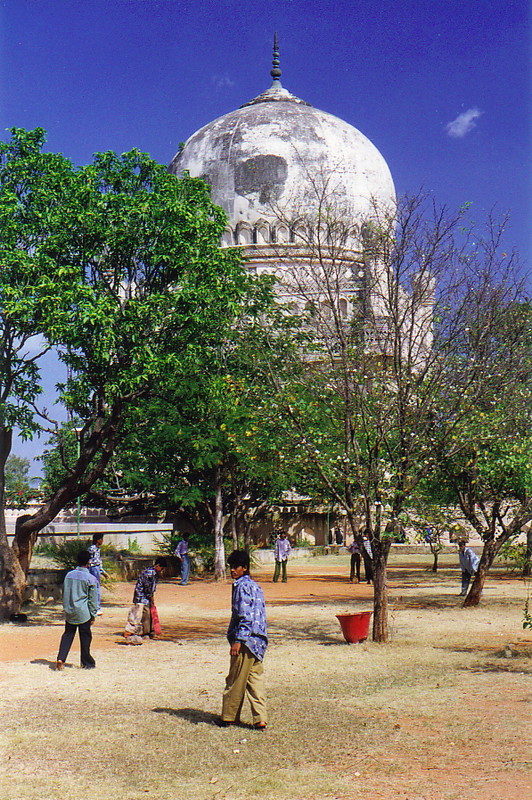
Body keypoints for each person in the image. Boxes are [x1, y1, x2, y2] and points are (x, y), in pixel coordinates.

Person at [220, 550, 268, 730]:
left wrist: (238, 640)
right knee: (255, 681)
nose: (232, 570)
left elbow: (245, 616)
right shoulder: (256, 586)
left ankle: (229, 717)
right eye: (231, 567)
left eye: (236, 567)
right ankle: (260, 719)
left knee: (235, 680)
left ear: (245, 568)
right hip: (259, 642)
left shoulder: (241, 586)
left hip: (246, 641)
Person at [56, 549, 98, 670]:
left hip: (70, 611)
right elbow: (93, 599)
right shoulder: (90, 578)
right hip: (83, 612)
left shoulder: (69, 575)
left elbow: (65, 593)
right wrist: (93, 614)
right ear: (88, 562)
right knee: (85, 637)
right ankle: (86, 662)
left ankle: (60, 658)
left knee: (68, 635)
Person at [124, 557, 167, 644]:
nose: (161, 570)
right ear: (157, 566)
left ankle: (147, 632)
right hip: (141, 597)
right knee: (140, 615)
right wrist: (151, 598)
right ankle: (136, 632)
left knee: (147, 615)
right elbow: (148, 588)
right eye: (161, 568)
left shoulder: (153, 573)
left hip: (145, 598)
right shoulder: (149, 573)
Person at [88, 533, 109, 615]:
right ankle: (96, 607)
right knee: (95, 588)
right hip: (93, 569)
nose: (102, 541)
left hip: (96, 569)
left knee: (96, 588)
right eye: (101, 539)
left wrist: (103, 572)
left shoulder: (97, 549)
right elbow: (94, 562)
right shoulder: (92, 549)